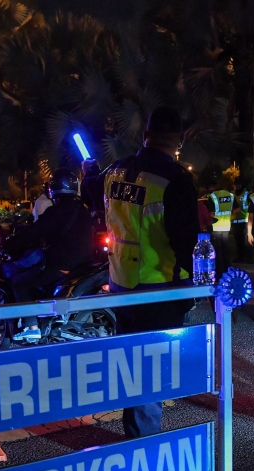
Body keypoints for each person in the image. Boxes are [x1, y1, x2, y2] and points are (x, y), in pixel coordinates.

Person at [83, 106, 198, 438]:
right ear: (179, 140)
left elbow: (88, 193)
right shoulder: (176, 180)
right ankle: (144, 445)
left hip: (122, 287)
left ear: (146, 135)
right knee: (153, 372)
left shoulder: (114, 172)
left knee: (131, 365)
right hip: (160, 291)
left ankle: (135, 433)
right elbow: (187, 244)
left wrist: (88, 173)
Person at [10, 168, 96, 341]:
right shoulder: (83, 210)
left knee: (20, 283)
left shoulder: (56, 212)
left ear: (53, 188)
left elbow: (33, 233)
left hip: (62, 265)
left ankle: (32, 327)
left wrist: (11, 244)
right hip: (84, 265)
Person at [230, 176, 250, 262]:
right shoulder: (231, 194)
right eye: (235, 184)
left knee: (247, 241)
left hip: (244, 221)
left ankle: (249, 258)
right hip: (234, 221)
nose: (236, 186)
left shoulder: (247, 193)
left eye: (238, 184)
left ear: (242, 184)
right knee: (238, 241)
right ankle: (240, 257)